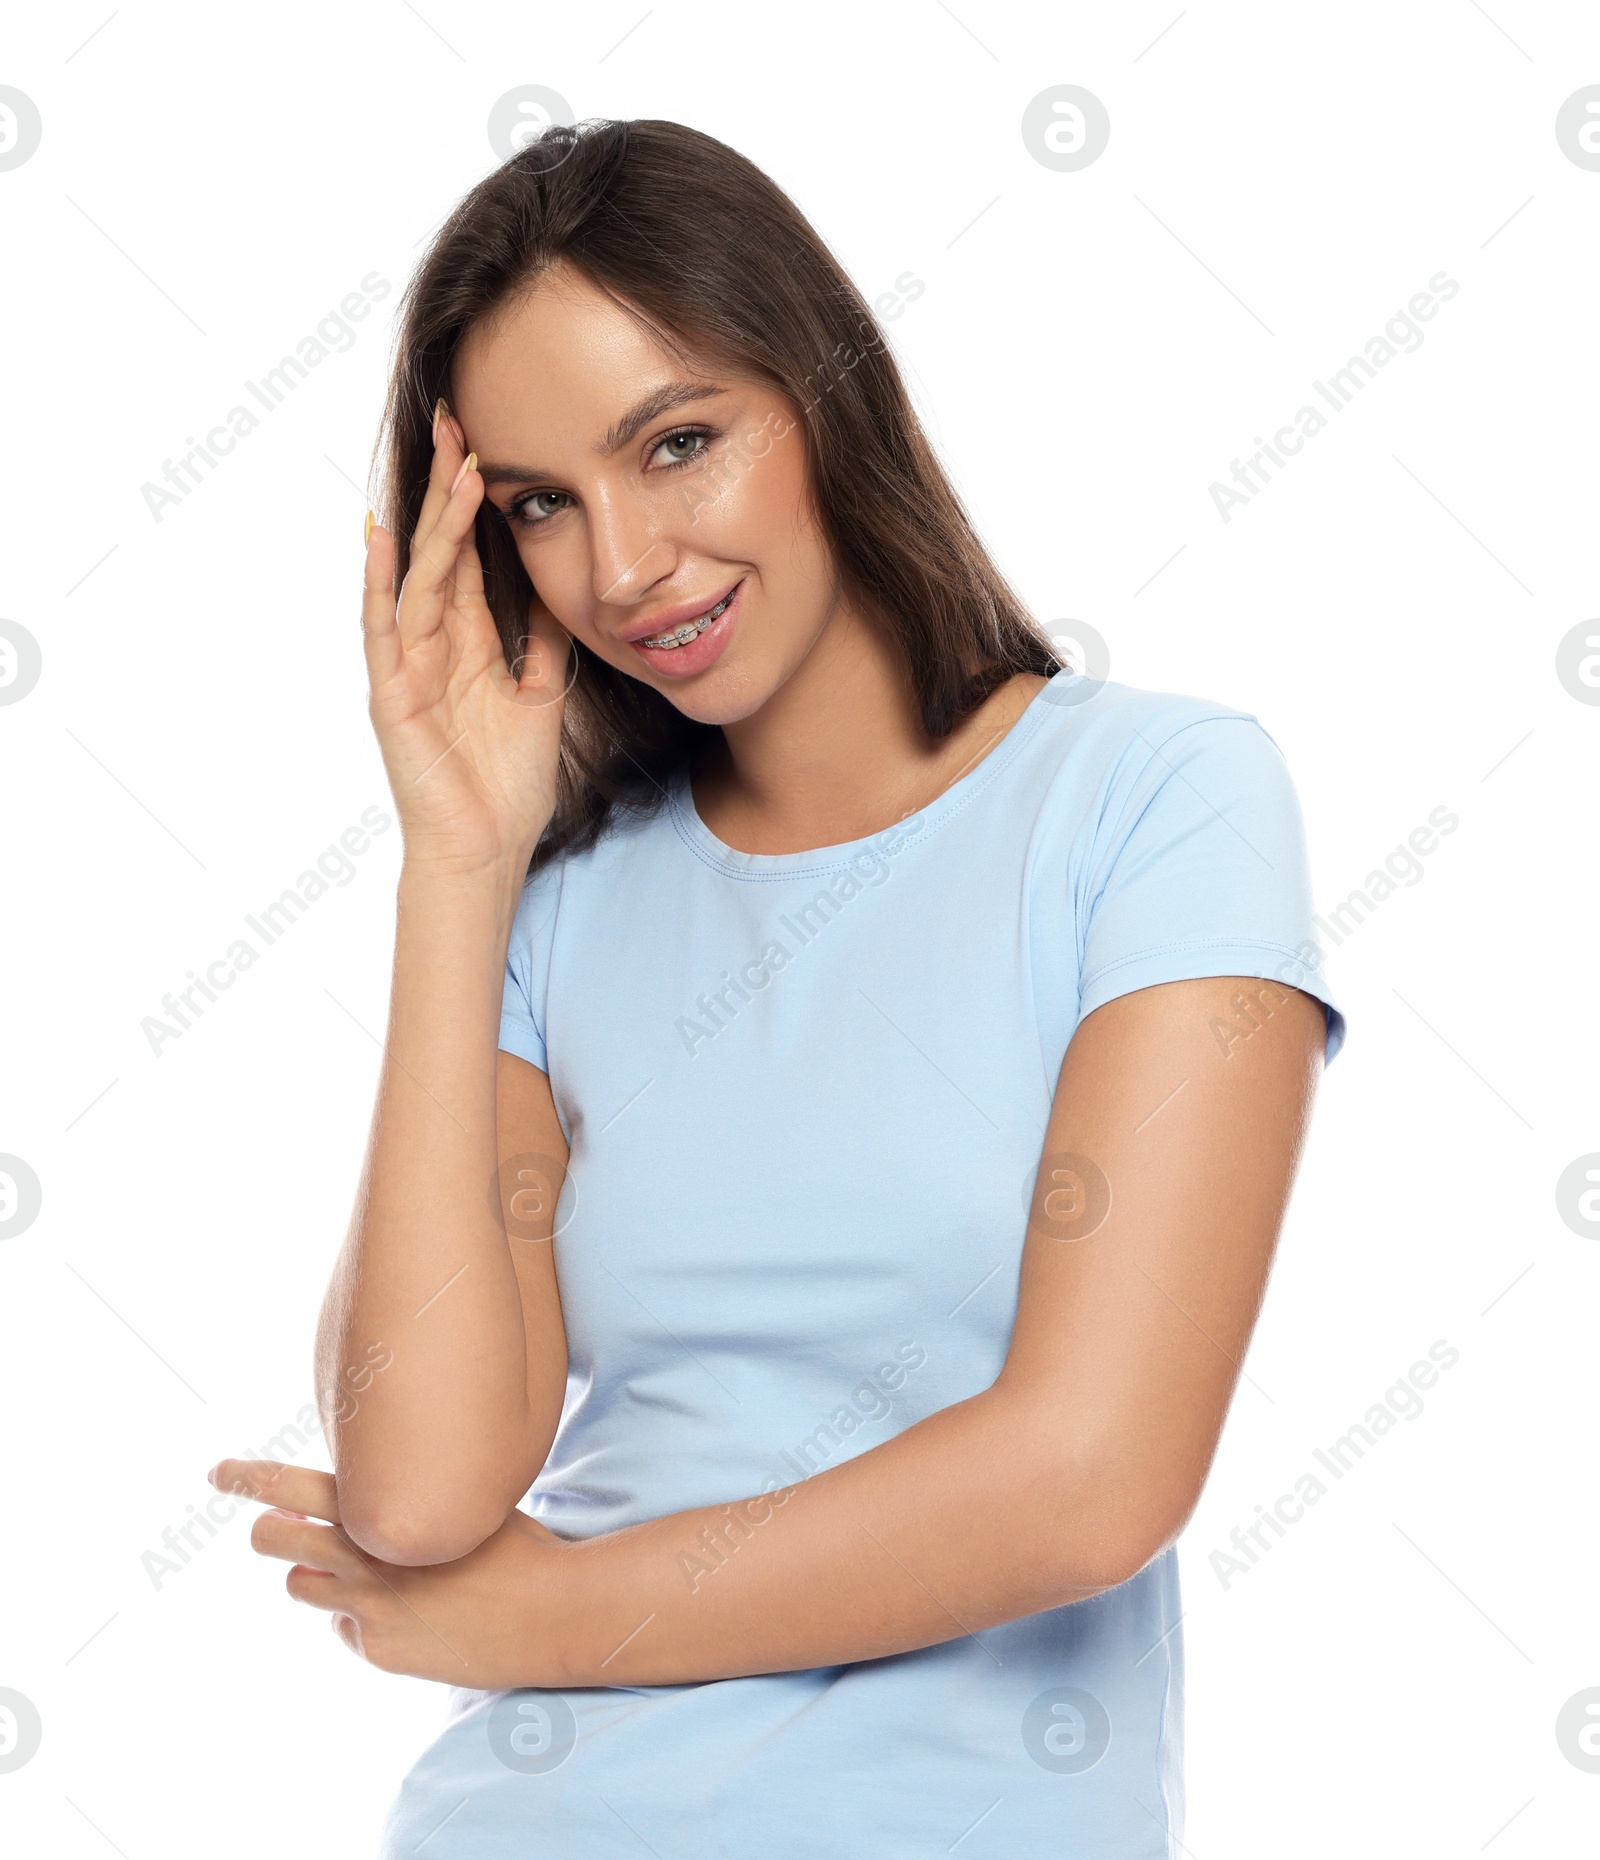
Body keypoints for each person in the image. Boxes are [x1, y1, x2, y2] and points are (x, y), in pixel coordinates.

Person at [211, 117, 1346, 1857]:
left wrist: (553, 1623)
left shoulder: (1156, 801)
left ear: (827, 397)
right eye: (539, 506)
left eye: (677, 444)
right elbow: (421, 1493)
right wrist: (457, 862)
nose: (624, 567)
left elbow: (1090, 1479)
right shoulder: (556, 899)